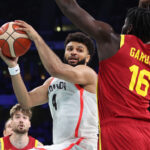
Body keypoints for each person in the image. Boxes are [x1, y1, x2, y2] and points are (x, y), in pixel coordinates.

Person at [47, 0, 150, 149]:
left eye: (124, 24)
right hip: (146, 131)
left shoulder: (113, 41)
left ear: (129, 28)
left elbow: (70, 6)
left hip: (119, 130)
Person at [0, 29, 98, 149]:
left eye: (79, 50)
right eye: (70, 49)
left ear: (87, 58)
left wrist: (36, 37)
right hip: (62, 145)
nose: (73, 52)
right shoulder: (52, 82)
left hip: (83, 144)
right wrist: (13, 67)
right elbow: (26, 101)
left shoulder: (88, 73)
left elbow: (56, 69)